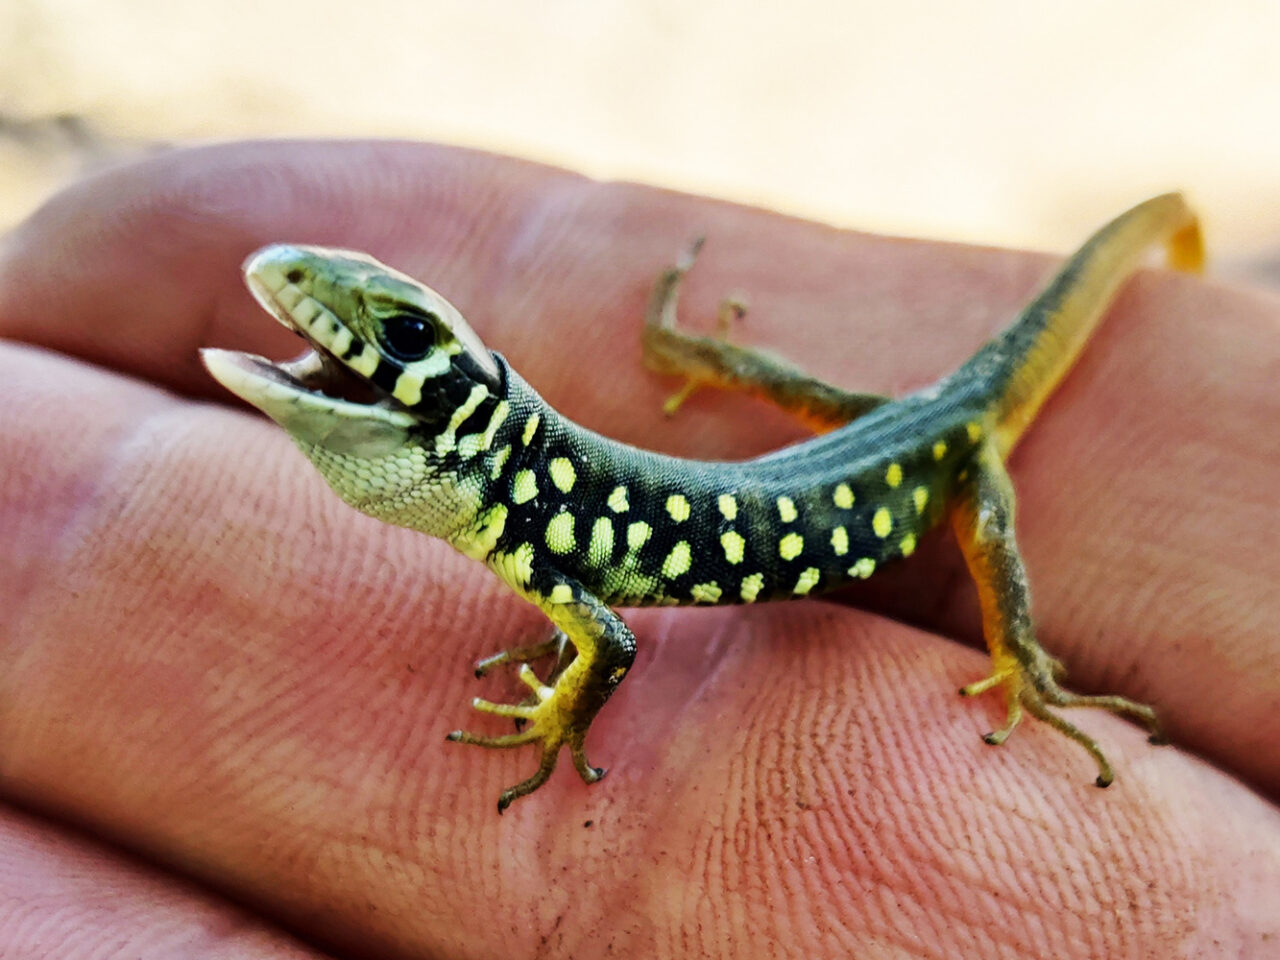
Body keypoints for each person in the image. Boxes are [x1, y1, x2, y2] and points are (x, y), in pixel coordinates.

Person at [0, 141, 1275, 958]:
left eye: (398, 336)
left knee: (978, 514)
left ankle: (1027, 668)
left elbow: (608, 641)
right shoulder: (511, 501)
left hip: (937, 459)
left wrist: (560, 712)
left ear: (466, 408)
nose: (311, 297)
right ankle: (698, 355)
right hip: (874, 444)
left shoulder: (532, 531)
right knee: (840, 414)